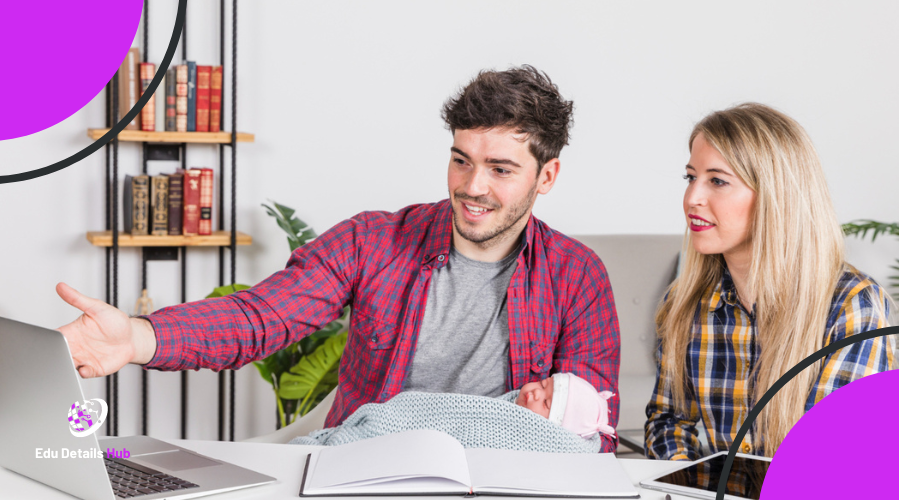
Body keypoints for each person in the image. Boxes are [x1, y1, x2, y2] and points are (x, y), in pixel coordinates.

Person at [56, 65, 621, 452]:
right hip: (366, 470)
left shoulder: (577, 276)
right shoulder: (372, 241)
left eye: (500, 168)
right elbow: (261, 317)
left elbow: (585, 430)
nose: (472, 186)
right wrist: (135, 337)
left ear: (546, 176)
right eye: (460, 159)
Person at [645, 103, 894, 461]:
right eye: (691, 177)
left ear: (776, 196)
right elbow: (668, 423)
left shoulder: (854, 306)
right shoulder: (686, 302)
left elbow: (832, 457)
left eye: (717, 180)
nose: (692, 198)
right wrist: (686, 481)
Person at [291, 373, 615, 452]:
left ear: (554, 429)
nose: (533, 391)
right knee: (380, 428)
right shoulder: (509, 402)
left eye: (545, 403)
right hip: (405, 418)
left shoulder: (538, 439)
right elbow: (443, 413)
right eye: (543, 384)